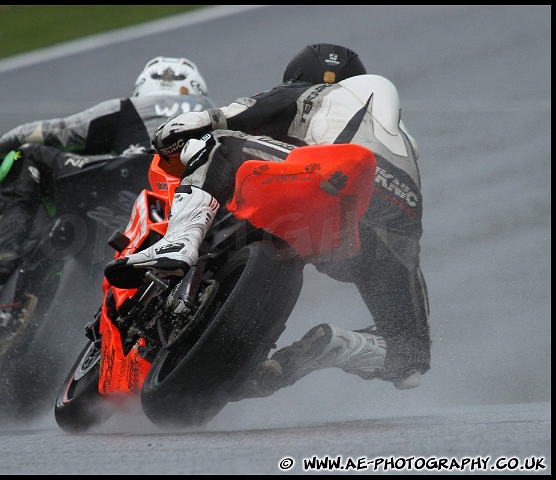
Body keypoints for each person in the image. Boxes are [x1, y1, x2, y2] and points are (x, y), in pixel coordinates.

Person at [104, 43, 431, 395]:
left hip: (336, 172)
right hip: (392, 226)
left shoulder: (316, 91)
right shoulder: (403, 137)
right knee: (410, 357)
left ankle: (179, 243)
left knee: (222, 145)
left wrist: (178, 130)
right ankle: (334, 347)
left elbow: (236, 115)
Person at [0, 56, 214, 296]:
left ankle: (3, 250)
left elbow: (55, 131)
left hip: (121, 175)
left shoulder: (131, 107)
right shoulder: (214, 116)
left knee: (27, 155)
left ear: (143, 87)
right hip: (185, 198)